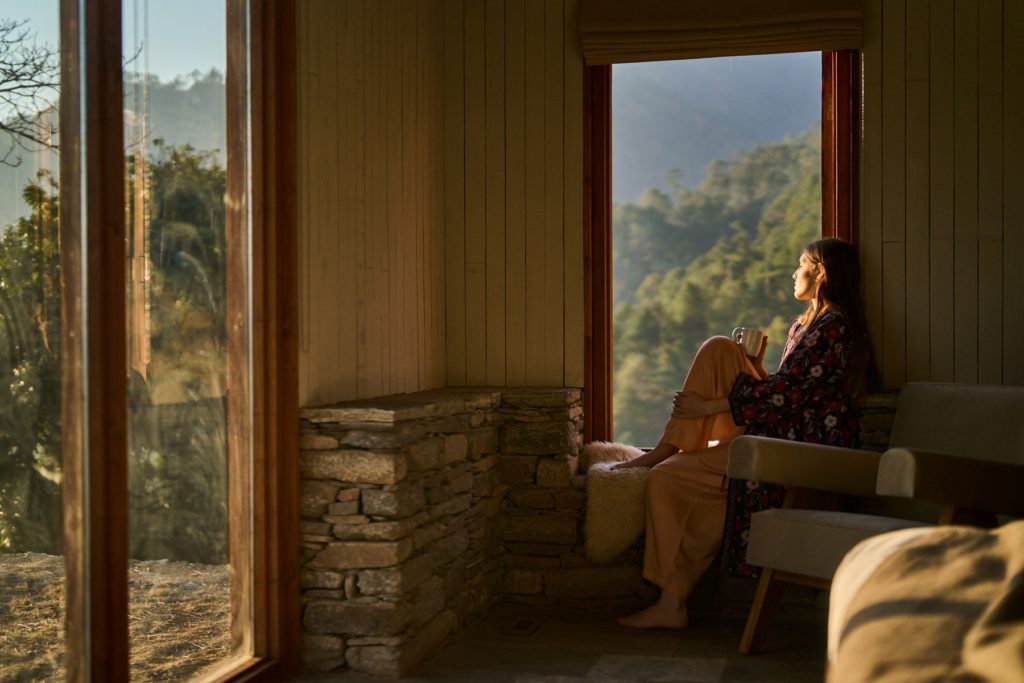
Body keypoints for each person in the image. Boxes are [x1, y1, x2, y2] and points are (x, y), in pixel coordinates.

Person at [613, 238, 871, 630]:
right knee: (719, 349)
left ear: (820, 272)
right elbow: (787, 390)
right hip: (779, 430)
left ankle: (671, 598)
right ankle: (672, 600)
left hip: (803, 448)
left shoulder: (834, 327)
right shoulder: (804, 324)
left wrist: (708, 407)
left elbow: (791, 398)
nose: (793, 273)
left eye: (800, 265)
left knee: (668, 476)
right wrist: (754, 366)